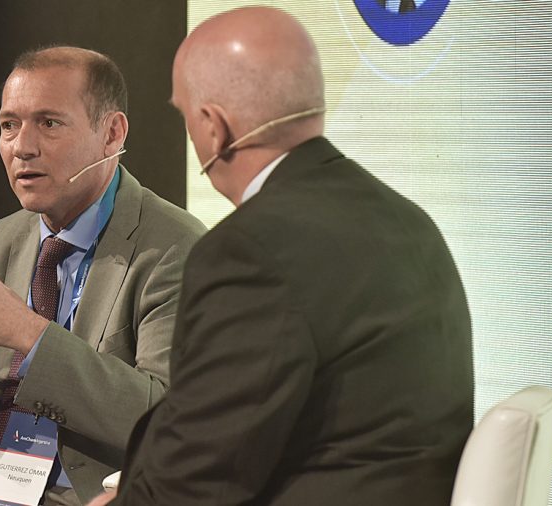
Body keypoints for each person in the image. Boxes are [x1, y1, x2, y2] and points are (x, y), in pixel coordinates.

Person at [105, 7, 474, 505]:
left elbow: (196, 479)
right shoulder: (408, 219)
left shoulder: (247, 252)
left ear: (213, 127)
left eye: (186, 115)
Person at [0, 46, 206, 506]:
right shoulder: (4, 239)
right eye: (9, 125)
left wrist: (27, 332)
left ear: (112, 133)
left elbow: (168, 420)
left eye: (49, 123)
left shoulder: (174, 249)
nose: (22, 147)